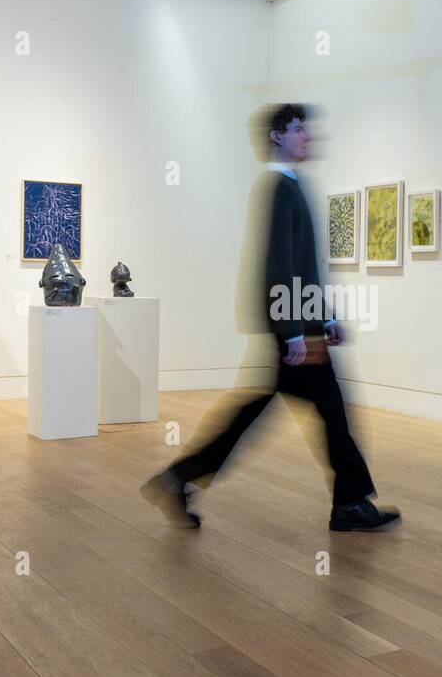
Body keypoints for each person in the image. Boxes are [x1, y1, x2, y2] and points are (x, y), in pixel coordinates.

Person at [142, 104, 400, 533]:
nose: (307, 136)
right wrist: (295, 333)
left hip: (300, 326)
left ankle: (179, 478)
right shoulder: (279, 187)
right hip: (294, 331)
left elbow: (304, 267)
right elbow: (278, 265)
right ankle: (350, 503)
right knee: (328, 414)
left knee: (265, 412)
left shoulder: (292, 186)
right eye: (298, 129)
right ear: (278, 135)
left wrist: (325, 318)